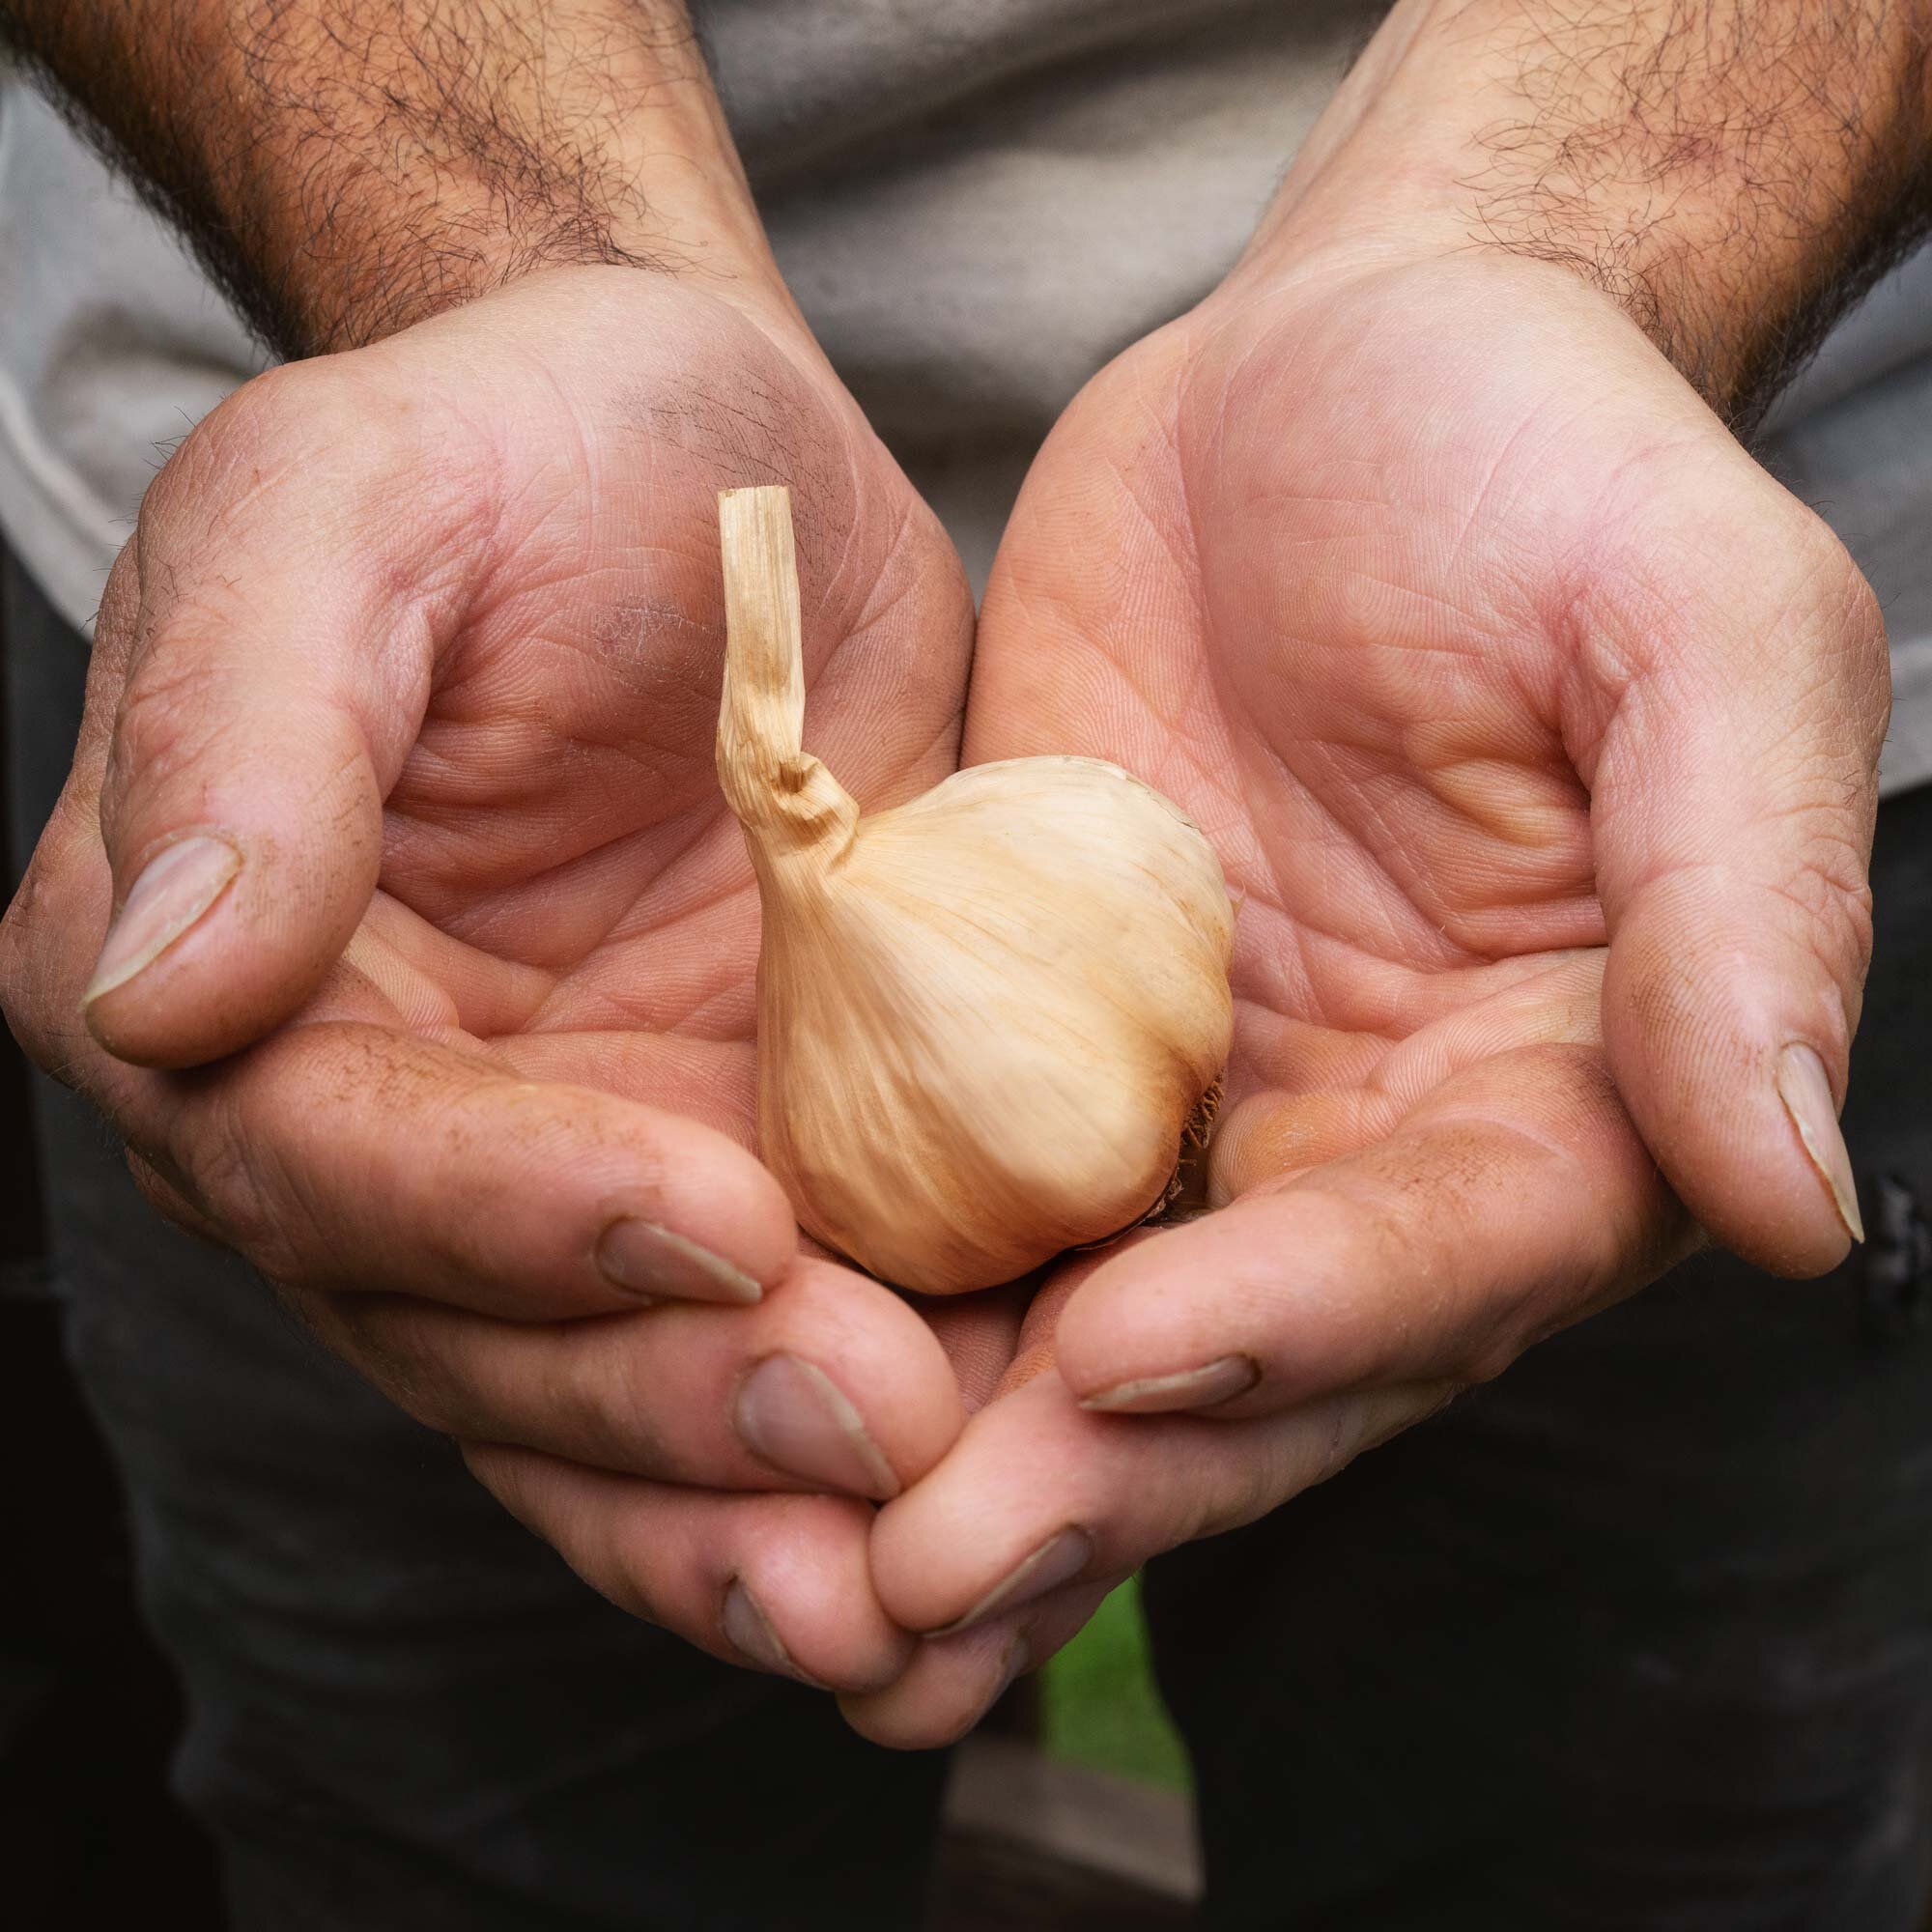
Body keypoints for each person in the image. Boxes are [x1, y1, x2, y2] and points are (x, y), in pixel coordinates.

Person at [1, 0, 1929, 1924]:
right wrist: (495, 266)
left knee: (1617, 1862)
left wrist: (1558, 234)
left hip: (1577, 716)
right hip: (417, 709)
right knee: (461, 1864)